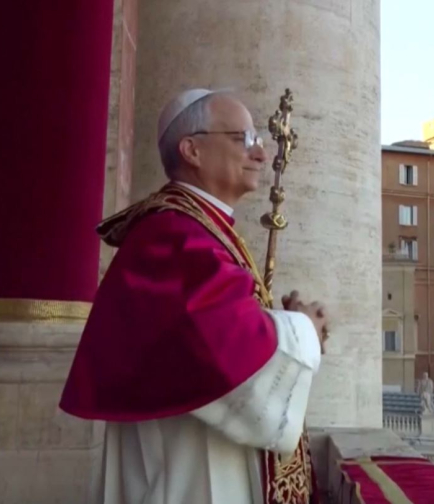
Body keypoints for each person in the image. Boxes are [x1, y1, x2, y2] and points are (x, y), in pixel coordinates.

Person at [59, 90, 329, 504]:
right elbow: (219, 344)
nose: (261, 154)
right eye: (244, 138)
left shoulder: (196, 226)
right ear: (192, 150)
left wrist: (279, 322)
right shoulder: (175, 234)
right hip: (189, 469)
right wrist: (303, 330)